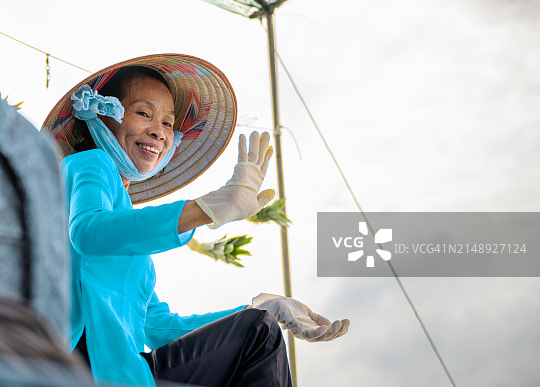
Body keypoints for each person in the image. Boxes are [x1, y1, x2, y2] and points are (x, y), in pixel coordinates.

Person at [43, 54, 349, 387]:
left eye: (168, 123)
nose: (159, 132)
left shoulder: (129, 231)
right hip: (84, 368)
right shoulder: (91, 163)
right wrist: (205, 209)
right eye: (144, 113)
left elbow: (160, 328)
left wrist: (264, 310)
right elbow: (88, 233)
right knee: (257, 334)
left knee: (259, 328)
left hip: (127, 374)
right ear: (104, 116)